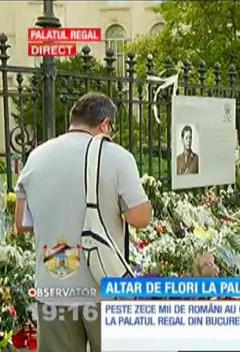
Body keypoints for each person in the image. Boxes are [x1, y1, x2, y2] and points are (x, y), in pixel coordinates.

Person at [14, 92, 151, 352]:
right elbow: (139, 218)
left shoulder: (36, 157)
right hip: (102, 287)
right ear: (105, 124)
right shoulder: (117, 156)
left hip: (54, 287)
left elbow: (21, 222)